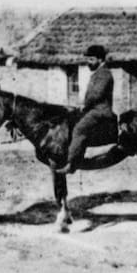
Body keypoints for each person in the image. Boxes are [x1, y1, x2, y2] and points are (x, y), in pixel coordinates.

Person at [56, 44, 119, 175]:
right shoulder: (97, 74)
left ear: (100, 59)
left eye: (91, 59)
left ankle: (71, 163)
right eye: (88, 59)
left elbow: (96, 94)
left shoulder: (105, 74)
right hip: (92, 110)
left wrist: (84, 105)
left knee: (79, 129)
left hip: (101, 111)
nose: (88, 62)